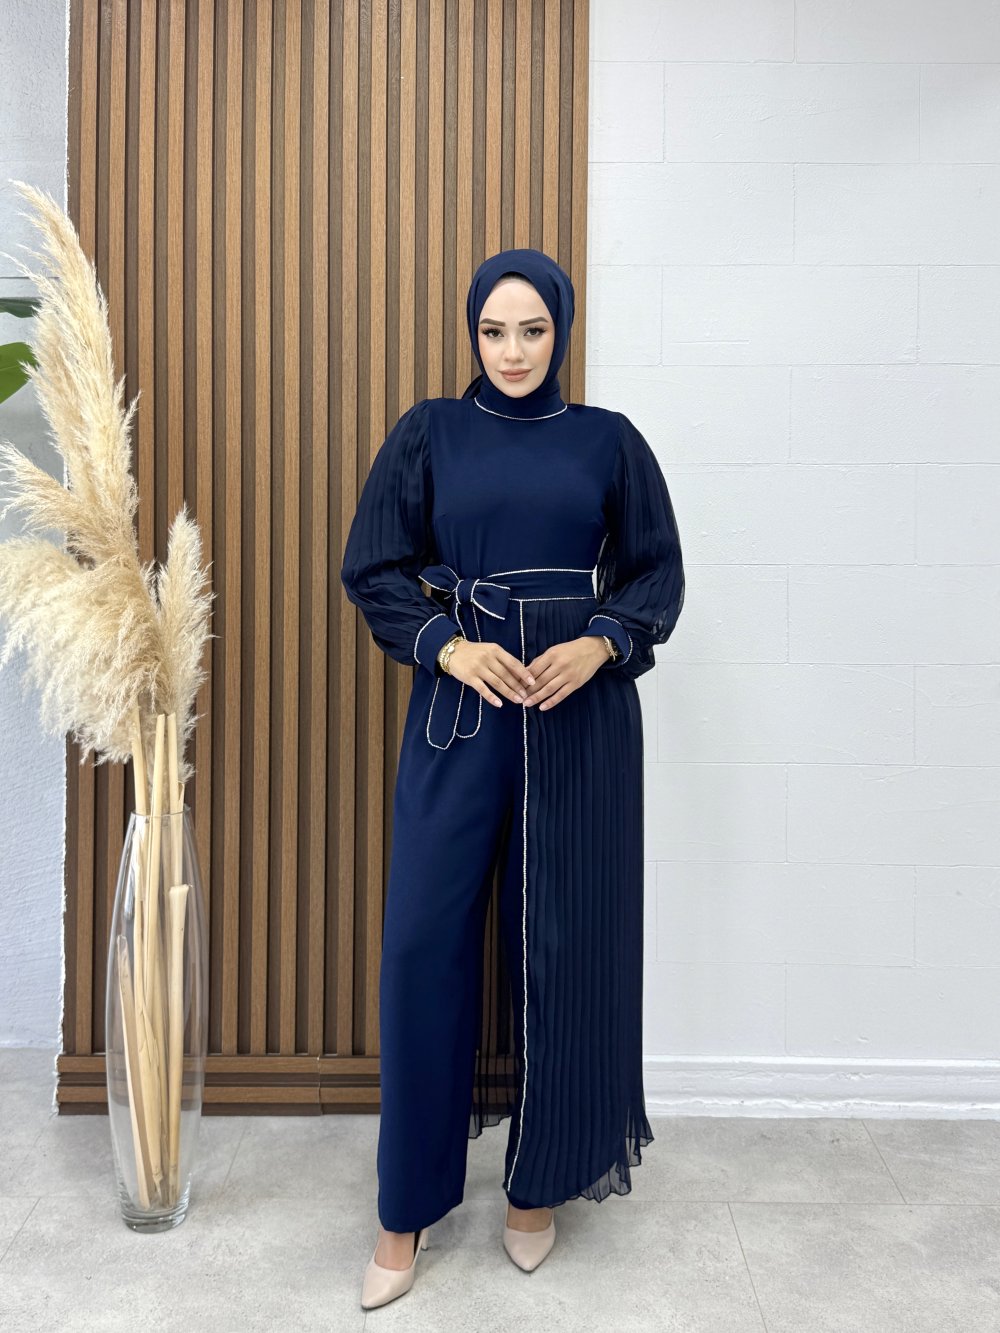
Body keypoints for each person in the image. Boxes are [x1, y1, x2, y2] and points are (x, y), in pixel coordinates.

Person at [340, 247, 685, 1310]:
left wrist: (603, 641)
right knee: (422, 945)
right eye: (495, 330)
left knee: (563, 945)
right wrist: (445, 646)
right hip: (461, 711)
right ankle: (405, 1210)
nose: (514, 350)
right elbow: (373, 566)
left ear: (561, 331)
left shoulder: (608, 440)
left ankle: (536, 1187)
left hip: (577, 716)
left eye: (533, 330)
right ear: (473, 332)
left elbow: (657, 570)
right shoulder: (430, 432)